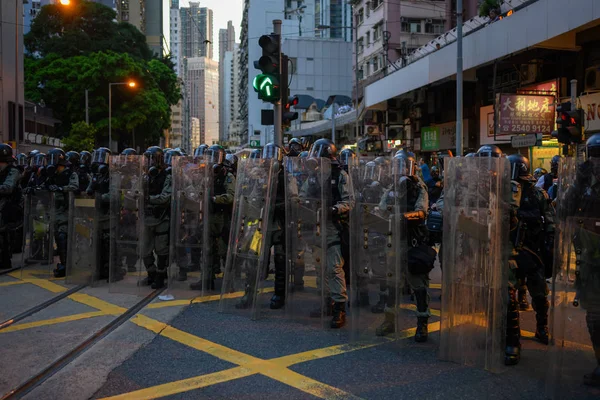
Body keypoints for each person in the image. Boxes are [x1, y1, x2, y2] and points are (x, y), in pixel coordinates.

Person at [375, 150, 432, 341]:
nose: (400, 170)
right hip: (393, 241)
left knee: (418, 285)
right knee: (392, 283)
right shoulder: (392, 186)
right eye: (397, 166)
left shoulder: (418, 187)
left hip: (412, 240)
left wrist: (402, 217)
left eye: (404, 166)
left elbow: (422, 212)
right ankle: (389, 320)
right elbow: (382, 208)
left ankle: (422, 323)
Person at [505, 153, 555, 365]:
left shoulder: (538, 195)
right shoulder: (502, 194)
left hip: (532, 253)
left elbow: (551, 222)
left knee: (541, 295)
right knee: (509, 298)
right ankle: (512, 341)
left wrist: (551, 247)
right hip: (510, 253)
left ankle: (541, 327)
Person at [561, 133, 600, 386]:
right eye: (593, 156)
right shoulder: (585, 183)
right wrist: (578, 181)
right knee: (595, 317)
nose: (597, 161)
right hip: (591, 260)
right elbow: (563, 211)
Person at [302, 138, 354, 328]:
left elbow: (349, 201)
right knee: (319, 268)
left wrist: (333, 210)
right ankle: (326, 303)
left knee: (333, 268)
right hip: (316, 227)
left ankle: (340, 308)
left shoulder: (340, 175)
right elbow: (302, 196)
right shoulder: (313, 177)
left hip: (333, 227)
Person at [191, 145, 235, 291]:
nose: (212, 160)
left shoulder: (228, 176)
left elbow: (231, 196)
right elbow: (200, 191)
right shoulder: (207, 175)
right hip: (209, 216)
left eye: (215, 156)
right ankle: (206, 280)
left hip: (223, 218)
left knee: (224, 251)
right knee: (207, 250)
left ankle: (229, 282)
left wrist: (215, 199)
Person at [141, 146, 172, 289]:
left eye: (151, 159)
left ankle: (160, 275)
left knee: (161, 250)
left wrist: (147, 198)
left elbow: (165, 198)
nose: (149, 162)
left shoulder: (167, 176)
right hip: (146, 218)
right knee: (144, 249)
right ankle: (151, 273)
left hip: (161, 218)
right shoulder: (145, 177)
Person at [45, 148, 79, 277]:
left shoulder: (71, 174)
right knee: (58, 238)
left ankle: (66, 264)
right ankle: (64, 262)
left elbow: (75, 187)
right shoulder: (51, 175)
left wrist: (61, 188)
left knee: (63, 237)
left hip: (67, 211)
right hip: (55, 212)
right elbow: (44, 186)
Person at [86, 147, 112, 280]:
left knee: (108, 244)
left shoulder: (113, 175)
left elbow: (114, 195)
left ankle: (109, 269)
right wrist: (91, 190)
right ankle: (98, 269)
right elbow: (89, 190)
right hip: (97, 214)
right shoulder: (96, 176)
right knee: (97, 243)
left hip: (109, 215)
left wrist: (101, 197)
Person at [0, 144, 21, 269]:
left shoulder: (13, 171)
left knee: (3, 234)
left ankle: (5, 259)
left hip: (10, 208)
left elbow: (8, 188)